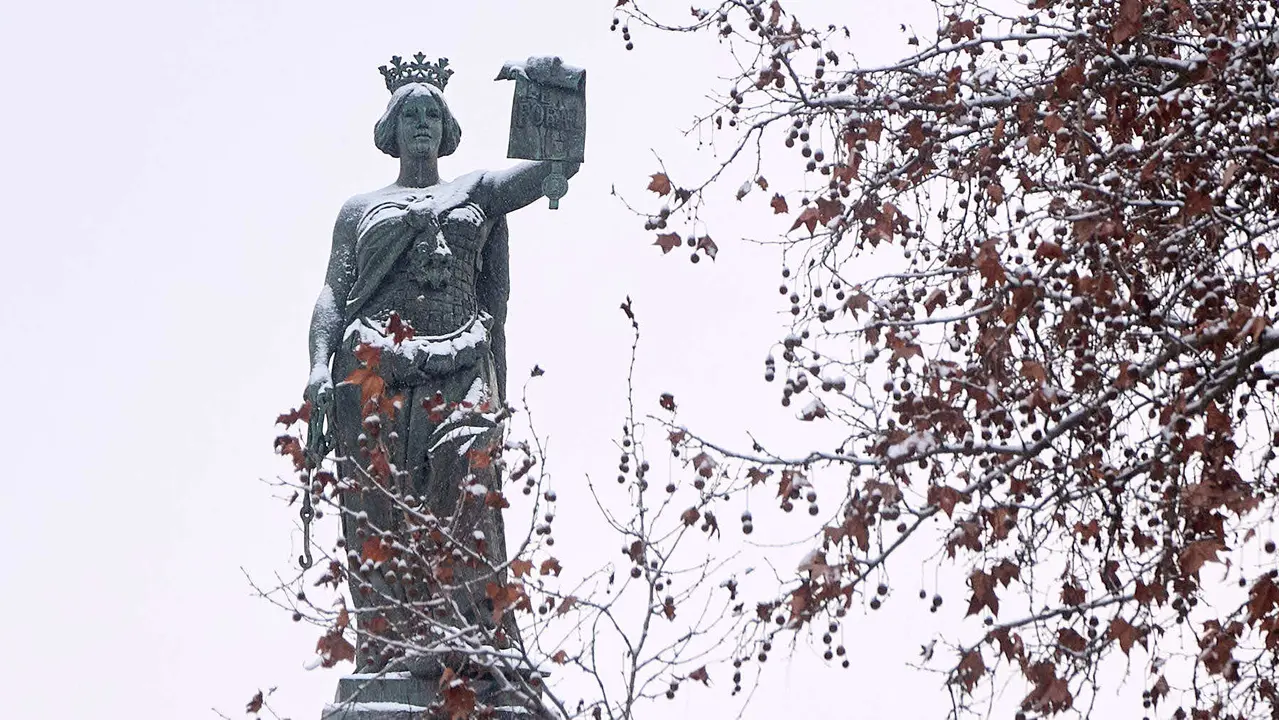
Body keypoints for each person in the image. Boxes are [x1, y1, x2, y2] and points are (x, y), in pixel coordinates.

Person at [303, 77, 578, 673]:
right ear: (392, 130)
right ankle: (393, 653)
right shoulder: (360, 209)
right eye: (411, 115)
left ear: (448, 128)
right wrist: (318, 366)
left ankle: (474, 645)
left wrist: (552, 91)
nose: (422, 123)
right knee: (381, 509)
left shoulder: (476, 191)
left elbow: (551, 169)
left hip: (461, 367)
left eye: (433, 113)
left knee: (469, 478)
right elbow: (333, 292)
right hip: (374, 376)